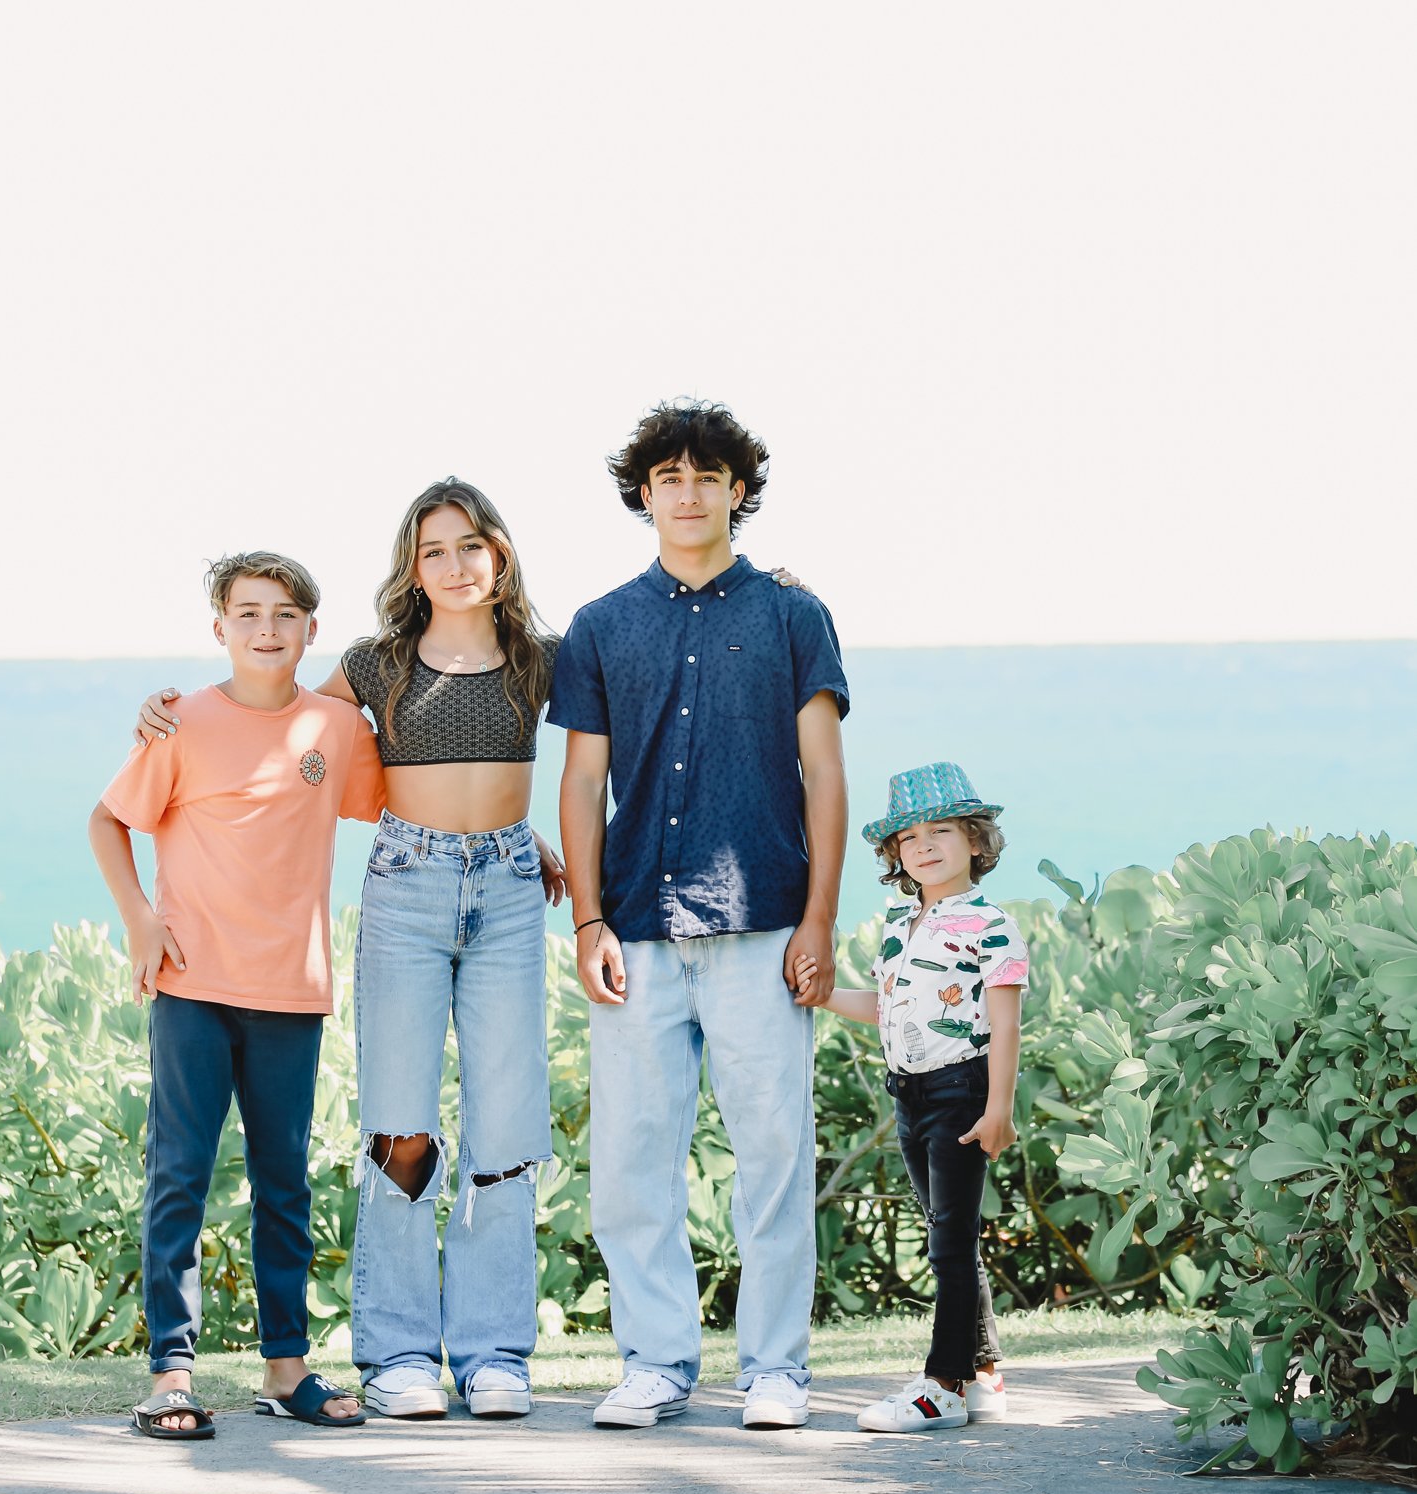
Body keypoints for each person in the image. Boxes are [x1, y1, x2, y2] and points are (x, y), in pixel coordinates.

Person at [134, 481, 566, 1423]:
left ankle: (494, 1353)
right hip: (407, 883)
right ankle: (401, 1354)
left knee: (504, 1127)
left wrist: (511, 835)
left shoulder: (540, 659)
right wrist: (167, 716)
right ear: (411, 565)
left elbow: (632, 705)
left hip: (503, 886)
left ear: (499, 555)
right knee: (401, 1129)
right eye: (431, 550)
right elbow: (278, 721)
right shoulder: (373, 664)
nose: (451, 566)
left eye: (468, 546)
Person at [552, 399, 850, 1432]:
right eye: (667, 477)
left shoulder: (789, 615)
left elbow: (822, 772)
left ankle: (775, 1370)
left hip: (765, 921)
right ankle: (655, 1364)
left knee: (772, 1154)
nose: (687, 492)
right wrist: (586, 921)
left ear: (737, 490)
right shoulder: (597, 626)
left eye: (706, 475)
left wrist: (818, 920)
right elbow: (581, 782)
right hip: (634, 927)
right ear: (644, 494)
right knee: (632, 1161)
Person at [90, 552, 382, 1439]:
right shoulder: (180, 722)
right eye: (247, 614)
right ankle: (170, 1376)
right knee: (179, 1175)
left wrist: (521, 836)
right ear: (220, 628)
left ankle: (283, 1368)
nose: (266, 629)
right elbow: (108, 820)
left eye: (284, 614)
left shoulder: (335, 729)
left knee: (283, 1184)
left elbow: (408, 804)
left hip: (291, 990)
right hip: (191, 988)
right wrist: (142, 920)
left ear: (310, 632)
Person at [815, 762, 1027, 1432]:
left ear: (975, 841)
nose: (925, 845)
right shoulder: (900, 919)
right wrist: (820, 994)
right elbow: (883, 1006)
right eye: (909, 837)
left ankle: (943, 1383)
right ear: (894, 854)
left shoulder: (987, 922)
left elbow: (1004, 1023)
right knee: (948, 1234)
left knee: (949, 1242)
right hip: (907, 1092)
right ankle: (986, 1373)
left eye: (942, 830)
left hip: (961, 1088)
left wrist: (998, 1109)